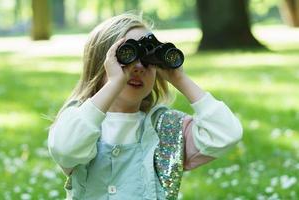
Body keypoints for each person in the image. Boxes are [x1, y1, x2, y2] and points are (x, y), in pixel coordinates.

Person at [48, 12, 243, 200]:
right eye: (127, 56)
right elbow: (66, 150)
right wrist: (114, 83)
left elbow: (226, 134)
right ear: (101, 64)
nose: (139, 67)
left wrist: (180, 79)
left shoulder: (167, 128)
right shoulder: (79, 120)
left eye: (149, 60)